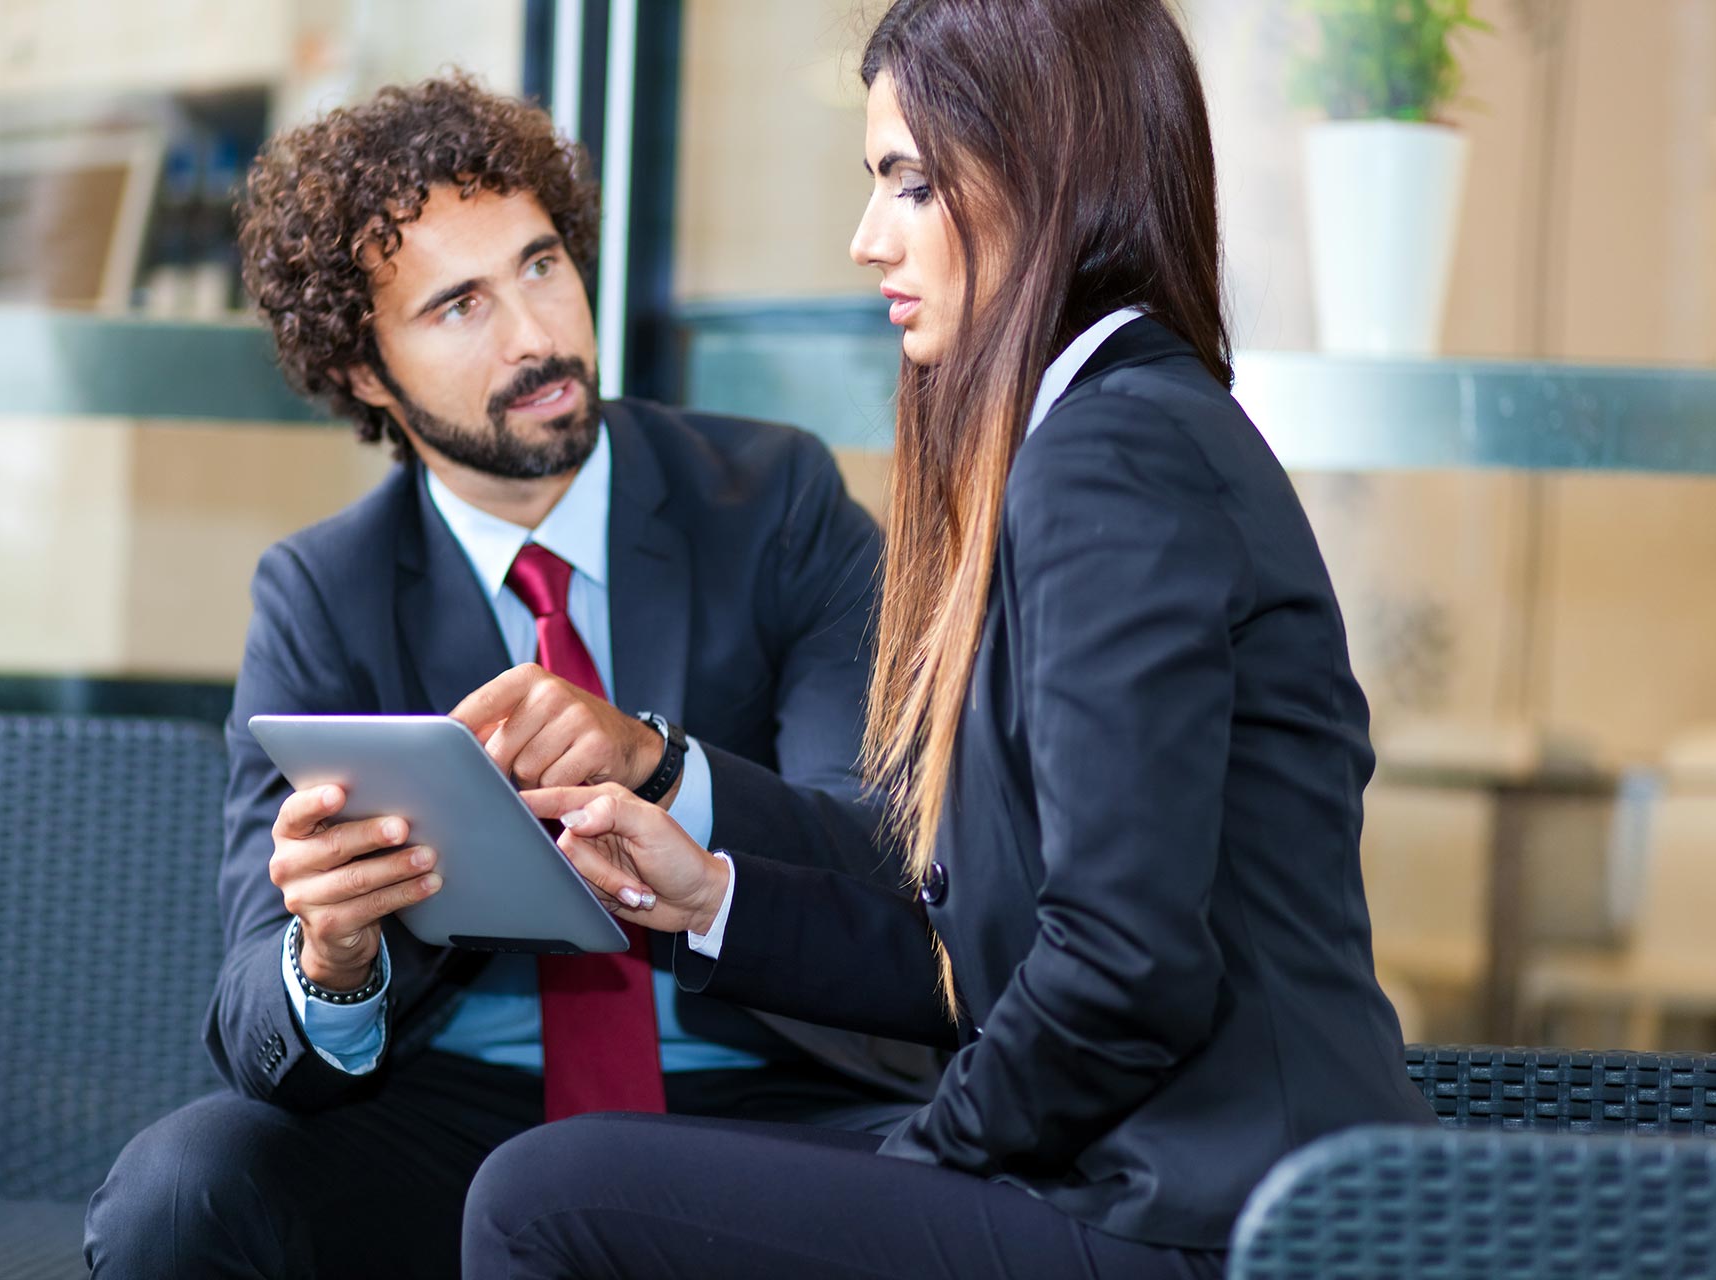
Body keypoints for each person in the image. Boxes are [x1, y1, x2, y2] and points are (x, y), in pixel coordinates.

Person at [460, 1, 1440, 1276]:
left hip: (1205, 1216)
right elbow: (1017, 956)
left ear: (1048, 171)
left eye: (910, 183)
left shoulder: (1113, 452)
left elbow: (1126, 970)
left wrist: (926, 1155)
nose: (869, 240)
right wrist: (708, 896)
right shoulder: (1104, 431)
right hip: (1147, 1176)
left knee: (547, 1199)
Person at [84, 72, 935, 1279]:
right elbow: (252, 1013)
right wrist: (332, 957)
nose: (535, 334)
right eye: (459, 305)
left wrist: (660, 763)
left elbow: (895, 860)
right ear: (366, 369)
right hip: (463, 1114)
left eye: (542, 265)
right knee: (184, 1191)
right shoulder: (324, 588)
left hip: (773, 1101)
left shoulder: (776, 500)